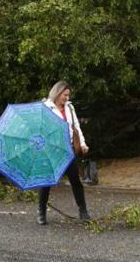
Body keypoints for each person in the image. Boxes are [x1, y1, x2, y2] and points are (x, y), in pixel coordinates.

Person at [37, 80, 90, 225]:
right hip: (51, 151)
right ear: (57, 92)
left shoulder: (70, 108)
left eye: (68, 95)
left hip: (68, 150)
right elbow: (40, 130)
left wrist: (83, 144)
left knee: (75, 181)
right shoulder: (45, 108)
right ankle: (41, 213)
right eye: (65, 95)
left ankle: (83, 211)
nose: (67, 98)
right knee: (46, 182)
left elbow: (76, 127)